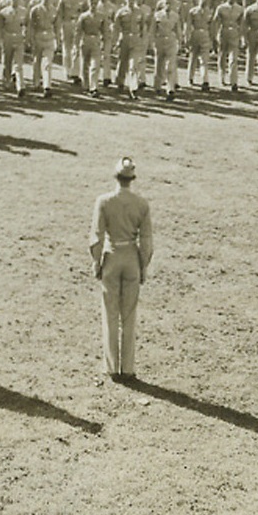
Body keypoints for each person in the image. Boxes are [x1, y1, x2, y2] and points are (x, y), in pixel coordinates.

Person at [89, 156, 153, 382]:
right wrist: (143, 265)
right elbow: (146, 240)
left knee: (110, 313)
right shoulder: (141, 204)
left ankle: (111, 366)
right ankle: (128, 367)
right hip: (131, 258)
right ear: (132, 179)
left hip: (112, 256)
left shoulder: (104, 201)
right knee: (129, 314)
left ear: (115, 177)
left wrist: (97, 262)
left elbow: (96, 237)